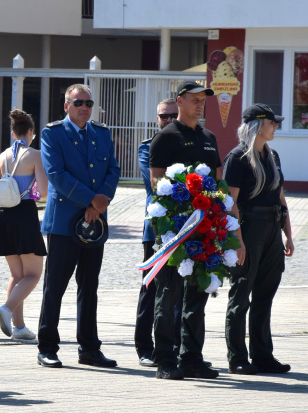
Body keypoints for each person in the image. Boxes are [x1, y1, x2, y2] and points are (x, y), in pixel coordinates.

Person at [37, 84, 120, 369]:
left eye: (88, 103)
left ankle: (89, 348)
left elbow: (113, 169)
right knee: (55, 286)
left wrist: (99, 203)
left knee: (89, 286)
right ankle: (47, 346)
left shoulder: (101, 133)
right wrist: (91, 200)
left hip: (95, 222)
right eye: (78, 103)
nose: (84, 107)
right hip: (64, 222)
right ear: (66, 106)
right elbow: (56, 175)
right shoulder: (53, 133)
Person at [149, 80, 222, 380]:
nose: (200, 103)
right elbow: (156, 182)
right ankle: (165, 358)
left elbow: (218, 180)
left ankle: (191, 356)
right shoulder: (165, 137)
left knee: (198, 293)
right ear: (179, 101)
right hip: (175, 228)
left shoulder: (208, 137)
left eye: (203, 99)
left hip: (204, 227)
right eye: (194, 98)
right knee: (170, 292)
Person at [224, 104, 293, 375]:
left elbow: (280, 197)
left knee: (265, 295)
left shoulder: (272, 155)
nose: (275, 126)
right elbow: (231, 203)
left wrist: (288, 232)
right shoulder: (238, 157)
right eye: (271, 123)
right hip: (249, 229)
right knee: (241, 294)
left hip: (272, 229)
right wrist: (237, 241)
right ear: (256, 125)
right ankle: (237, 357)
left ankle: (263, 355)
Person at [134, 98, 183, 368]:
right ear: (157, 119)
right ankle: (144, 347)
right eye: (163, 116)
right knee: (151, 288)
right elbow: (159, 183)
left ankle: (175, 346)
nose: (168, 120)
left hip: (187, 229)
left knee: (181, 292)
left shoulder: (191, 145)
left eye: (173, 115)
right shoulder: (148, 148)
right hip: (156, 231)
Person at [0, 109, 49, 341]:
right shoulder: (35, 155)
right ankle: (6, 309)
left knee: (17, 275)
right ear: (31, 133)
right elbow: (43, 192)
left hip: (4, 216)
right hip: (25, 215)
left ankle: (19, 327)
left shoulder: (4, 155)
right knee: (34, 274)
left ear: (13, 133)